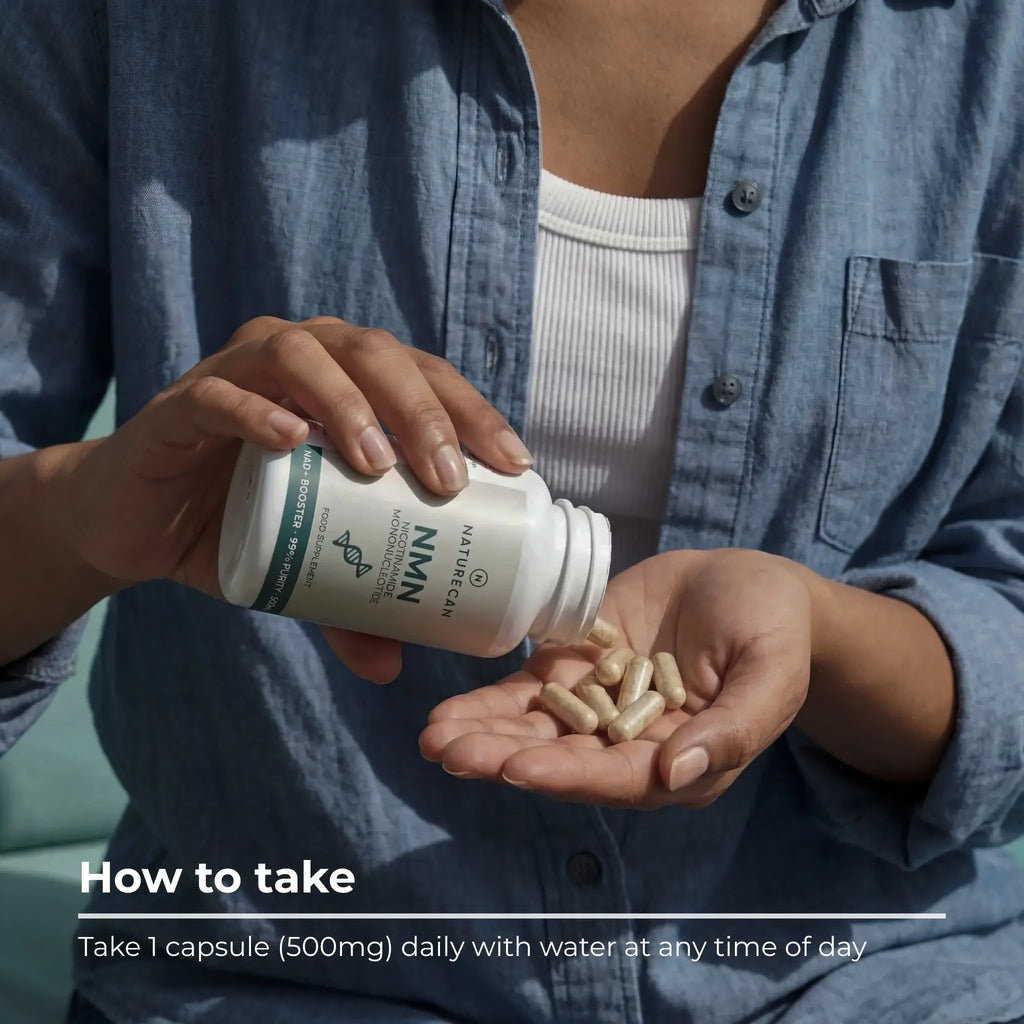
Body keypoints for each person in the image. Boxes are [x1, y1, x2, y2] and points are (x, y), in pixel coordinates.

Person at [2, 1, 1023, 1021]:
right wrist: (78, 515)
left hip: (864, 977)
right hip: (291, 976)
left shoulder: (987, 43)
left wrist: (821, 637)